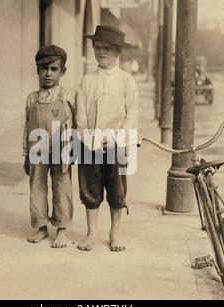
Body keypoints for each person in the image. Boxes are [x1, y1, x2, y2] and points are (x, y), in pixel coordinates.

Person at [76, 25, 139, 252]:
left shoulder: (126, 80)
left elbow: (132, 114)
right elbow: (80, 115)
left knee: (116, 189)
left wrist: (116, 138)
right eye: (98, 47)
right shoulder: (87, 80)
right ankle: (92, 232)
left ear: (118, 52)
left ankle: (115, 232)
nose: (102, 52)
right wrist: (87, 138)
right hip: (89, 142)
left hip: (115, 144)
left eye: (108, 49)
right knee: (90, 188)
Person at [22, 45, 76, 248]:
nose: (48, 74)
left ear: (62, 71)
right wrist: (26, 153)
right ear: (37, 70)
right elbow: (27, 126)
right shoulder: (32, 98)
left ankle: (62, 229)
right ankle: (41, 226)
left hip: (61, 148)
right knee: (37, 186)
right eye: (43, 68)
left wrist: (74, 150)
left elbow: (76, 125)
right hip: (37, 146)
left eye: (54, 69)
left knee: (62, 186)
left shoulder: (68, 95)